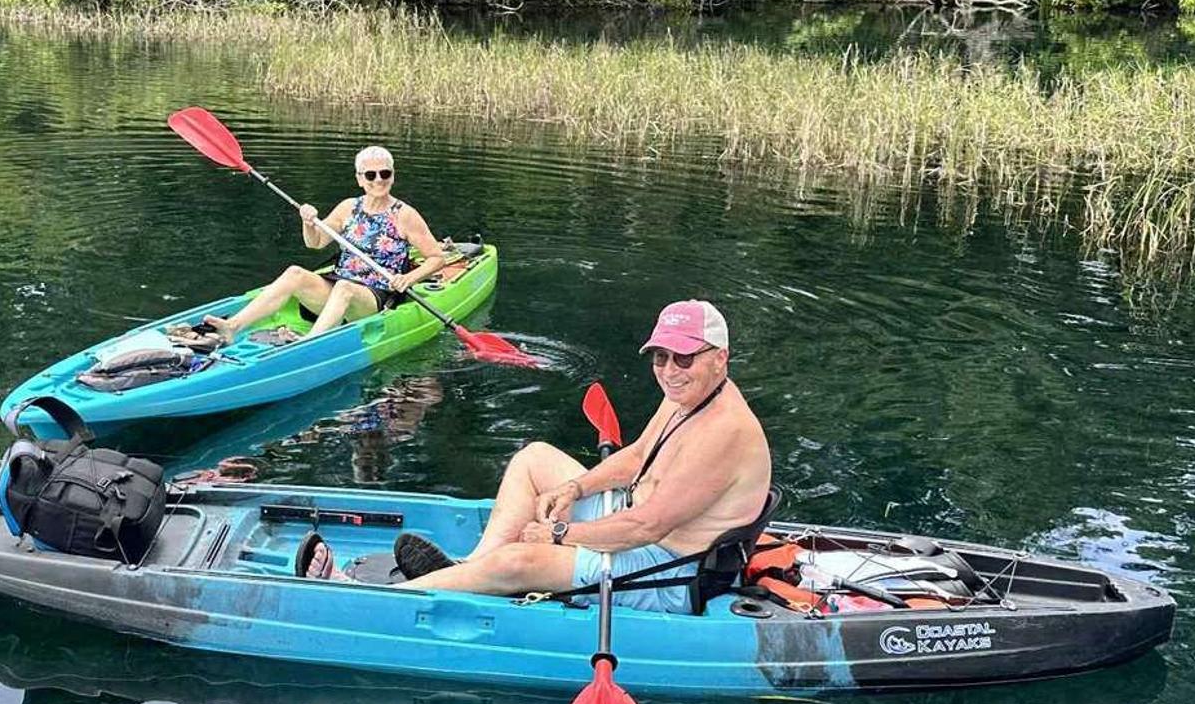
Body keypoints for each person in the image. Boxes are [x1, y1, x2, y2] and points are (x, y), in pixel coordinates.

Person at [301, 300, 771, 616]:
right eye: (660, 358)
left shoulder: (725, 431)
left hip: (668, 571)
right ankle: (467, 571)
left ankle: (366, 597)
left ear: (720, 358)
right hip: (636, 520)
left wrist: (560, 533)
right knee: (535, 459)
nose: (669, 370)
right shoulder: (687, 395)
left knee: (520, 562)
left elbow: (647, 529)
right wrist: (575, 488)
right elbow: (637, 457)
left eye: (684, 359)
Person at [205, 146, 453, 342]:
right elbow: (316, 243)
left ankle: (310, 343)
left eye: (385, 173)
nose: (378, 180)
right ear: (360, 179)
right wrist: (309, 222)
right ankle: (232, 326)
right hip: (338, 285)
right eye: (370, 175)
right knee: (295, 273)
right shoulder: (348, 207)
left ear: (392, 176)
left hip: (374, 295)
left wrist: (408, 279)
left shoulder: (404, 214)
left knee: (345, 287)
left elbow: (436, 258)